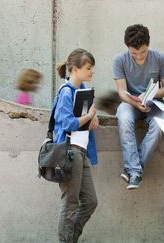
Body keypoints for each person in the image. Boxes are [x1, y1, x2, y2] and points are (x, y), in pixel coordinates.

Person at [113, 24, 164, 189]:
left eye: (142, 52)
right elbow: (122, 92)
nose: (139, 57)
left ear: (149, 44)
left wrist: (150, 96)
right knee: (123, 118)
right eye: (134, 53)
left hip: (155, 103)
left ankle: (132, 170)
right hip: (130, 103)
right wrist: (136, 103)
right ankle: (136, 171)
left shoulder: (161, 58)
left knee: (162, 122)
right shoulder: (119, 60)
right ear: (127, 48)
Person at [53, 48, 99, 242]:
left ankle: (70, 238)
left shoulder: (82, 93)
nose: (91, 72)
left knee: (90, 201)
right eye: (88, 68)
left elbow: (82, 123)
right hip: (69, 152)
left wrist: (92, 120)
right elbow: (66, 122)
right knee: (70, 203)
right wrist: (88, 116)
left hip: (80, 152)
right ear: (75, 69)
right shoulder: (66, 92)